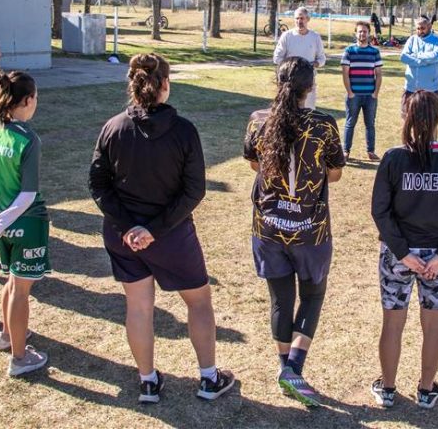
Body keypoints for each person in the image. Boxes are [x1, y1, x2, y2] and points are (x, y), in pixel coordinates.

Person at [89, 53, 235, 403]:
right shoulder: (183, 131)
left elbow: (97, 185)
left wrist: (129, 228)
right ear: (164, 85)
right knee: (199, 302)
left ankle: (148, 381)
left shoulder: (113, 128)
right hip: (170, 236)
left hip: (126, 238)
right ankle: (208, 378)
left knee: (138, 307)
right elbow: (194, 190)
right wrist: (151, 229)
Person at [243, 57, 345, 407]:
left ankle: (285, 367)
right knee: (313, 295)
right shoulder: (324, 124)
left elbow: (255, 165)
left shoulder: (259, 121)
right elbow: (335, 174)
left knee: (280, 298)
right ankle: (293, 369)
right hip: (310, 230)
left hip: (268, 227)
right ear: (310, 87)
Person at [370, 91, 438, 409]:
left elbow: (380, 212)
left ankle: (388, 388)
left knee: (393, 322)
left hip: (399, 257)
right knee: (433, 323)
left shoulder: (394, 158)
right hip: (436, 259)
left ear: (407, 117)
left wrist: (403, 253)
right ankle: (426, 389)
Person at [0, 71, 50, 377]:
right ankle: (20, 358)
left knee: (11, 281)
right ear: (28, 100)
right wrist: (0, 221)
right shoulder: (28, 139)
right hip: (26, 224)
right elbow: (28, 194)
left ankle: (6, 334)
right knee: (20, 290)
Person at [341, 21, 383, 161]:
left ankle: (371, 151)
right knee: (350, 123)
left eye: (365, 31)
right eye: (359, 31)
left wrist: (375, 93)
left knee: (370, 124)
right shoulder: (349, 51)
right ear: (355, 33)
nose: (362, 34)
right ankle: (345, 151)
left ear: (368, 33)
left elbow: (378, 74)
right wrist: (350, 92)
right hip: (354, 95)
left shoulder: (375, 52)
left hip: (370, 95)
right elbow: (345, 74)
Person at [272, 7, 327, 109]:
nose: (299, 21)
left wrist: (312, 65)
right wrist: (291, 66)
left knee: (308, 112)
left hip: (308, 82)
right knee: (288, 111)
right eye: (297, 18)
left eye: (302, 18)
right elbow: (277, 58)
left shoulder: (315, 37)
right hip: (289, 83)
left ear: (308, 19)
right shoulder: (287, 36)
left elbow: (322, 59)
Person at [400, 15, 438, 114]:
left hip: (431, 90)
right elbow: (403, 57)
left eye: (422, 28)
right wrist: (424, 61)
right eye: (418, 28)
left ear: (429, 27)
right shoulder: (412, 40)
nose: (420, 31)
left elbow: (435, 57)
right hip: (410, 89)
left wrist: (415, 56)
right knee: (407, 119)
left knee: (432, 123)